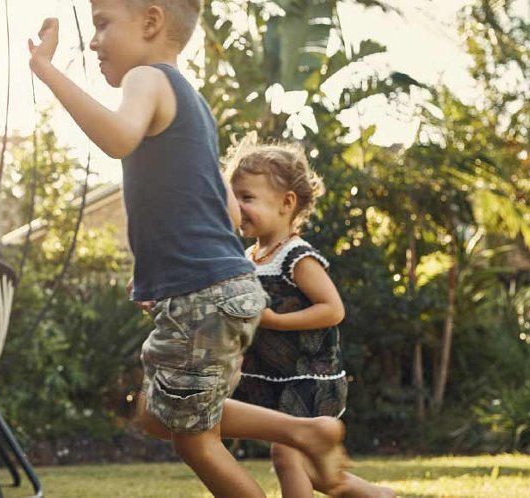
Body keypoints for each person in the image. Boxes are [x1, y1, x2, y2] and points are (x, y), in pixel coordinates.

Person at [29, 1, 347, 495]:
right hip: (216, 290)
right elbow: (223, 208)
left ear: (152, 22)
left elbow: (117, 138)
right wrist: (164, 277)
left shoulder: (147, 79)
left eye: (102, 24)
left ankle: (307, 432)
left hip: (203, 294)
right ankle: (303, 430)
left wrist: (46, 70)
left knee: (194, 440)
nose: (93, 42)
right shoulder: (192, 104)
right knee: (156, 414)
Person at [230, 141, 396, 498]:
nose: (236, 207)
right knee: (317, 474)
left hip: (308, 377)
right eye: (232, 197)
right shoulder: (249, 257)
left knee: (286, 454)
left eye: (246, 197)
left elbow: (332, 309)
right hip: (269, 378)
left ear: (287, 203)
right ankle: (378, 495)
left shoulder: (297, 257)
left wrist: (273, 321)